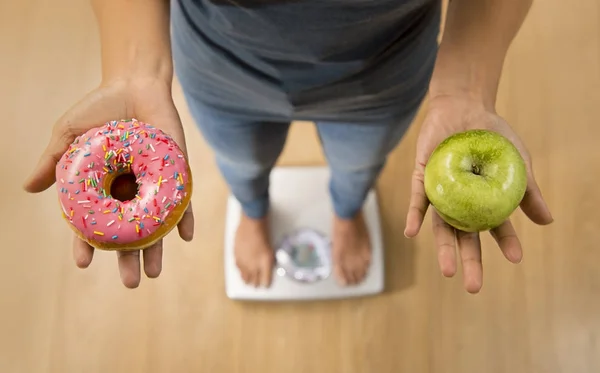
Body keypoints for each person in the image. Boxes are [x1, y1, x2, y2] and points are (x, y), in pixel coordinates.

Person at [23, 0, 553, 294]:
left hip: (382, 69)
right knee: (241, 162)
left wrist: (466, 84)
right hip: (220, 66)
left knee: (359, 164)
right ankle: (253, 211)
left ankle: (346, 211)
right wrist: (135, 69)